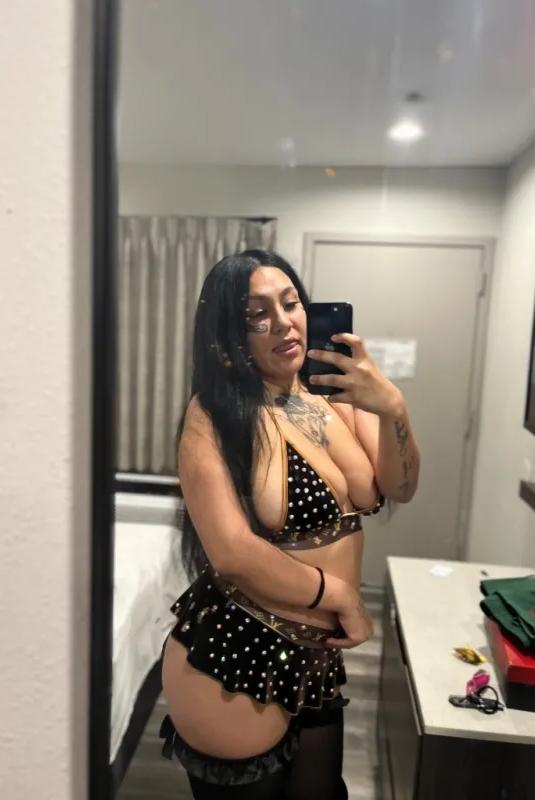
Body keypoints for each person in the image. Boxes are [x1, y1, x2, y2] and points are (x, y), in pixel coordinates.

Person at [160, 250, 420, 799]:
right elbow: (232, 551)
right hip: (239, 651)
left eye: (290, 303)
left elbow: (400, 487)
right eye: (257, 314)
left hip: (317, 653)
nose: (283, 322)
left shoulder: (334, 395)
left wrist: (392, 407)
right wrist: (343, 597)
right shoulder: (213, 414)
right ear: (229, 336)